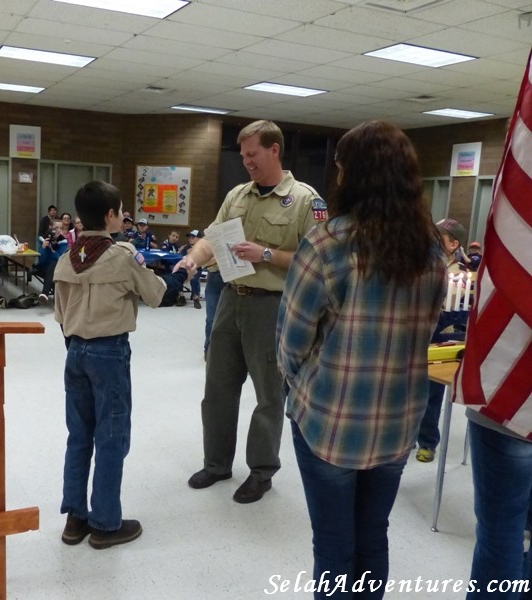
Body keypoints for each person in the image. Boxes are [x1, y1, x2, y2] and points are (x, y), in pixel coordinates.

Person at [276, 120, 446, 598]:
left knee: (333, 546)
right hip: (397, 422)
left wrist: (300, 383)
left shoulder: (327, 243)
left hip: (331, 421)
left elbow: (290, 342)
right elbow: (427, 330)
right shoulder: (431, 249)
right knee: (373, 537)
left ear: (352, 173)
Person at [183, 119, 327, 504]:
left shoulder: (306, 200)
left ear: (274, 150)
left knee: (268, 396)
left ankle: (262, 471)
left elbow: (319, 261)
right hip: (231, 300)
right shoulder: (237, 196)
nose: (246, 161)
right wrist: (192, 259)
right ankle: (216, 464)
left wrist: (265, 254)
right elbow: (212, 239)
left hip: (272, 307)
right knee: (217, 390)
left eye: (252, 154)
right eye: (243, 155)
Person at [53, 180, 193, 549]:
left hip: (74, 352)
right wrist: (181, 273)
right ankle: (104, 523)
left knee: (79, 434)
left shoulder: (65, 259)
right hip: (109, 352)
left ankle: (75, 519)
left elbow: (61, 317)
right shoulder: (122, 254)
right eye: (121, 210)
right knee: (112, 437)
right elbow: (157, 294)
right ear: (112, 215)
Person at [415, 217, 469, 463]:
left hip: (441, 339)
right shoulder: (418, 266)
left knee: (430, 394)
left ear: (453, 244)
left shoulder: (461, 275)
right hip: (415, 334)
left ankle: (427, 442)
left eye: (439, 238)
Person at [36, 220, 68, 303]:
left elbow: (61, 260)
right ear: (50, 228)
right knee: (53, 268)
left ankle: (45, 293)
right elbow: (42, 261)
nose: (58, 230)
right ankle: (54, 296)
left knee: (54, 265)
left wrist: (53, 250)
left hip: (58, 268)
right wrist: (43, 248)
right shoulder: (42, 240)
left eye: (61, 228)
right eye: (56, 228)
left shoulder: (64, 242)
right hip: (44, 267)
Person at [179, 230, 202, 309]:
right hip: (185, 267)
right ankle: (181, 296)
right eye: (189, 237)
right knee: (179, 276)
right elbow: (180, 256)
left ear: (199, 239)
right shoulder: (186, 247)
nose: (190, 239)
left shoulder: (202, 247)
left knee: (194, 278)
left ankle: (195, 297)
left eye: (193, 237)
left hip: (196, 268)